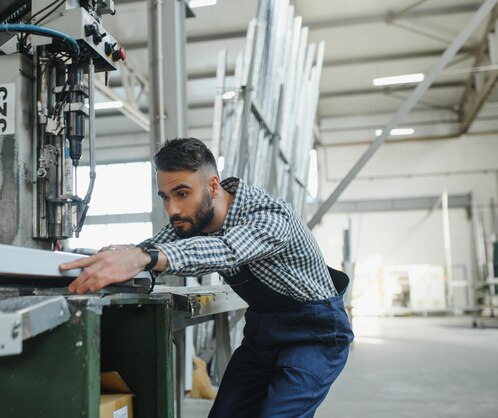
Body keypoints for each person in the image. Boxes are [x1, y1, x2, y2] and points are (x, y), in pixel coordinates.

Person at [59, 137, 354, 418]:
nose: (172, 209)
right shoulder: (192, 219)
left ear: (213, 185)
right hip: (263, 334)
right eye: (165, 197)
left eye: (182, 194)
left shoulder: (270, 216)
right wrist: (123, 255)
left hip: (316, 335)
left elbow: (227, 249)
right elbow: (157, 248)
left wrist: (143, 257)